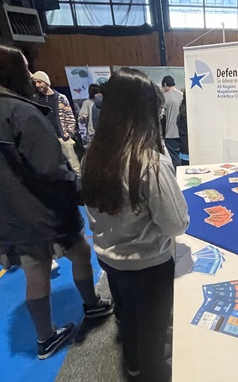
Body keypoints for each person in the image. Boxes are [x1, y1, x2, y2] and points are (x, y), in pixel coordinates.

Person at [0, 40, 113, 360]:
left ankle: (46, 335)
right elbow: (51, 170)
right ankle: (87, 309)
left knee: (34, 271)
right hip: (41, 212)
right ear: (10, 71)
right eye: (24, 67)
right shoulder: (21, 112)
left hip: (0, 217)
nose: (29, 73)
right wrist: (86, 190)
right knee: (80, 252)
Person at [83, 67, 189, 382]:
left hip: (109, 259)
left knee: (127, 317)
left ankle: (134, 366)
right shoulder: (150, 161)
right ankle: (153, 374)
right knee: (154, 329)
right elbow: (175, 224)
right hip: (149, 264)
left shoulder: (93, 155)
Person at [32, 70, 82, 177]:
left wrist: (69, 131)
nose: (37, 85)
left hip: (62, 136)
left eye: (39, 82)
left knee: (74, 165)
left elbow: (69, 115)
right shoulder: (36, 99)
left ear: (46, 82)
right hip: (47, 138)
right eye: (35, 82)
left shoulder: (60, 98)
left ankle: (83, 186)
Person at [161, 75, 183, 168]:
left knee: (174, 159)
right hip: (183, 133)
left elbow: (162, 117)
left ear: (165, 85)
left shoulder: (164, 97)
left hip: (171, 133)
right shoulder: (182, 95)